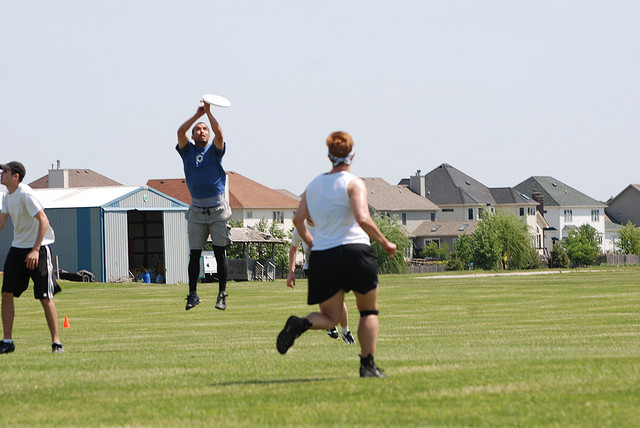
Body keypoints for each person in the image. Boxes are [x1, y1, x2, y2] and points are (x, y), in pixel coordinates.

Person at [277, 131, 397, 378]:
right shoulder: (354, 183)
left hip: (324, 257)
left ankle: (302, 323)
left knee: (330, 318)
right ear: (352, 155)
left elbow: (298, 220)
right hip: (356, 252)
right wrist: (385, 241)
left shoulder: (313, 185)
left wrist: (313, 242)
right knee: (368, 312)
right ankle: (367, 365)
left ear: (329, 156)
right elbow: (362, 218)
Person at [0, 162, 64, 354]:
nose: (1, 174)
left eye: (5, 171)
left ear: (16, 176)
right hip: (18, 249)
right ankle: (7, 342)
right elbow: (1, 224)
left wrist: (35, 250)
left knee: (45, 297)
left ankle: (56, 343)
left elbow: (44, 221)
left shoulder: (25, 194)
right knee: (6, 294)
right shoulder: (6, 196)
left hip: (39, 249)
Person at [177, 101, 231, 311]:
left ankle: (222, 294)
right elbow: (180, 131)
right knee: (194, 254)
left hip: (217, 211)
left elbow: (220, 133)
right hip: (197, 212)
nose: (201, 131)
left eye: (204, 129)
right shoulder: (187, 151)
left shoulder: (215, 150)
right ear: (192, 135)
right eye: (197, 129)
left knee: (219, 253)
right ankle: (192, 294)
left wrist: (208, 112)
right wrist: (196, 115)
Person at [287, 222, 356, 344]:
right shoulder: (300, 228)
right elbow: (293, 249)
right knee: (324, 298)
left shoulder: (325, 223)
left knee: (337, 299)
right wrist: (291, 272)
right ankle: (332, 325)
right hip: (312, 268)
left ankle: (345, 330)